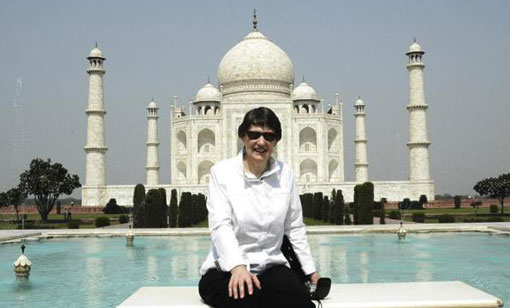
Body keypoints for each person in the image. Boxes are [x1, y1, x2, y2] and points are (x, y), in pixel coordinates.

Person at [198, 107, 319, 308]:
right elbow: (221, 226)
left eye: (268, 136)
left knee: (301, 301)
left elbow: (294, 227)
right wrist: (238, 267)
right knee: (248, 300)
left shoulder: (285, 174)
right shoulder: (222, 173)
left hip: (271, 267)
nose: (261, 142)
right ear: (243, 136)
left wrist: (310, 270)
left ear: (276, 141)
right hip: (226, 270)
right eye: (254, 135)